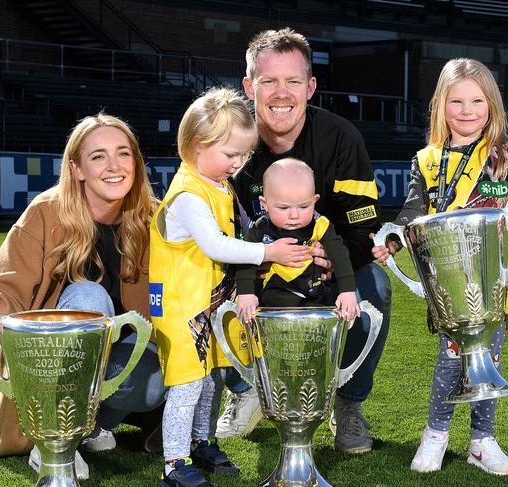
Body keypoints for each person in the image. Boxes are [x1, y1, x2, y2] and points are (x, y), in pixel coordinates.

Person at [0, 113, 166, 479]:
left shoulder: (153, 218)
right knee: (89, 298)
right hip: (47, 369)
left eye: (123, 154)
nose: (114, 166)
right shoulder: (47, 211)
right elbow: (2, 286)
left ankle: (92, 426)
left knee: (155, 379)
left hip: (111, 363)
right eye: (98, 156)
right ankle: (51, 439)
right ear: (77, 168)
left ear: (136, 162)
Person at [215, 27, 392, 455]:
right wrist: (255, 258)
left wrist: (330, 262)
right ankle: (244, 388)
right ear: (247, 86)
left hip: (322, 267)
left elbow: (363, 228)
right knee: (208, 286)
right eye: (268, 81)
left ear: (310, 87)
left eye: (293, 81)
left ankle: (348, 403)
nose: (281, 93)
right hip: (252, 266)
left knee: (374, 288)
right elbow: (212, 226)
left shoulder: (341, 138)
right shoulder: (228, 142)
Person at [372, 57, 508, 476]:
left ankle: (482, 442)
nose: (467, 110)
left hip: (496, 281)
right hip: (449, 280)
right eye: (456, 101)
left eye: (476, 100)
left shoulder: (506, 153)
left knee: (488, 363)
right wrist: (393, 241)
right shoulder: (426, 159)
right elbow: (411, 212)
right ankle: (435, 434)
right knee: (453, 359)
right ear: (440, 105)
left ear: (491, 104)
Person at [149, 87, 309, 487]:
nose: (238, 165)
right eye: (230, 155)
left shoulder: (216, 185)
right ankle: (174, 463)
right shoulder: (187, 194)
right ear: (194, 145)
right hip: (181, 306)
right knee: (186, 385)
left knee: (212, 377)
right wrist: (268, 253)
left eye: (244, 155)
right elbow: (216, 245)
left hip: (208, 303)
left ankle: (201, 443)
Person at [236, 157, 360, 324]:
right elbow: (245, 261)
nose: (294, 215)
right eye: (283, 207)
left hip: (315, 302)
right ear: (264, 204)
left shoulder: (320, 225)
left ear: (315, 201)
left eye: (303, 207)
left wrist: (347, 291)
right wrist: (246, 294)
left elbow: (341, 257)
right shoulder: (260, 228)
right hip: (273, 304)